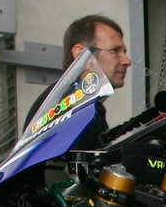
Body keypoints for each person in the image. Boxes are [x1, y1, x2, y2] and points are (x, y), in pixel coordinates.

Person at [27, 14, 132, 148]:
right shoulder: (67, 106)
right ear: (82, 54)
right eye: (115, 51)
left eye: (124, 52)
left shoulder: (84, 104)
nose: (126, 61)